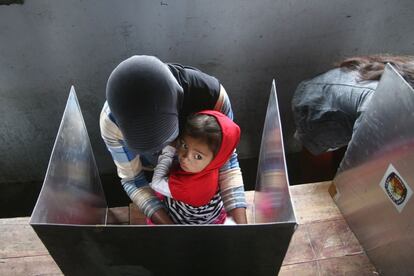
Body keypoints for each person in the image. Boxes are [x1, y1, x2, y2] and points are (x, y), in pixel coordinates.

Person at [100, 55, 247, 224]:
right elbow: (133, 180)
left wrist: (241, 230)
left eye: (168, 138)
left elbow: (227, 162)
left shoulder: (212, 98)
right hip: (160, 180)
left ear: (179, 100)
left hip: (204, 179)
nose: (177, 152)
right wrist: (170, 230)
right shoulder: (111, 124)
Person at [292, 54, 414, 156]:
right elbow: (359, 152)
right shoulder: (381, 101)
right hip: (315, 110)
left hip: (321, 90)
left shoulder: (402, 77)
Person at [149, 110, 240, 224]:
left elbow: (156, 183)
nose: (184, 157)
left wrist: (169, 150)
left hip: (184, 219)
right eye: (184, 145)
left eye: (197, 156)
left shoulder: (189, 188)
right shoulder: (213, 164)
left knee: (150, 194)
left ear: (217, 158)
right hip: (211, 212)